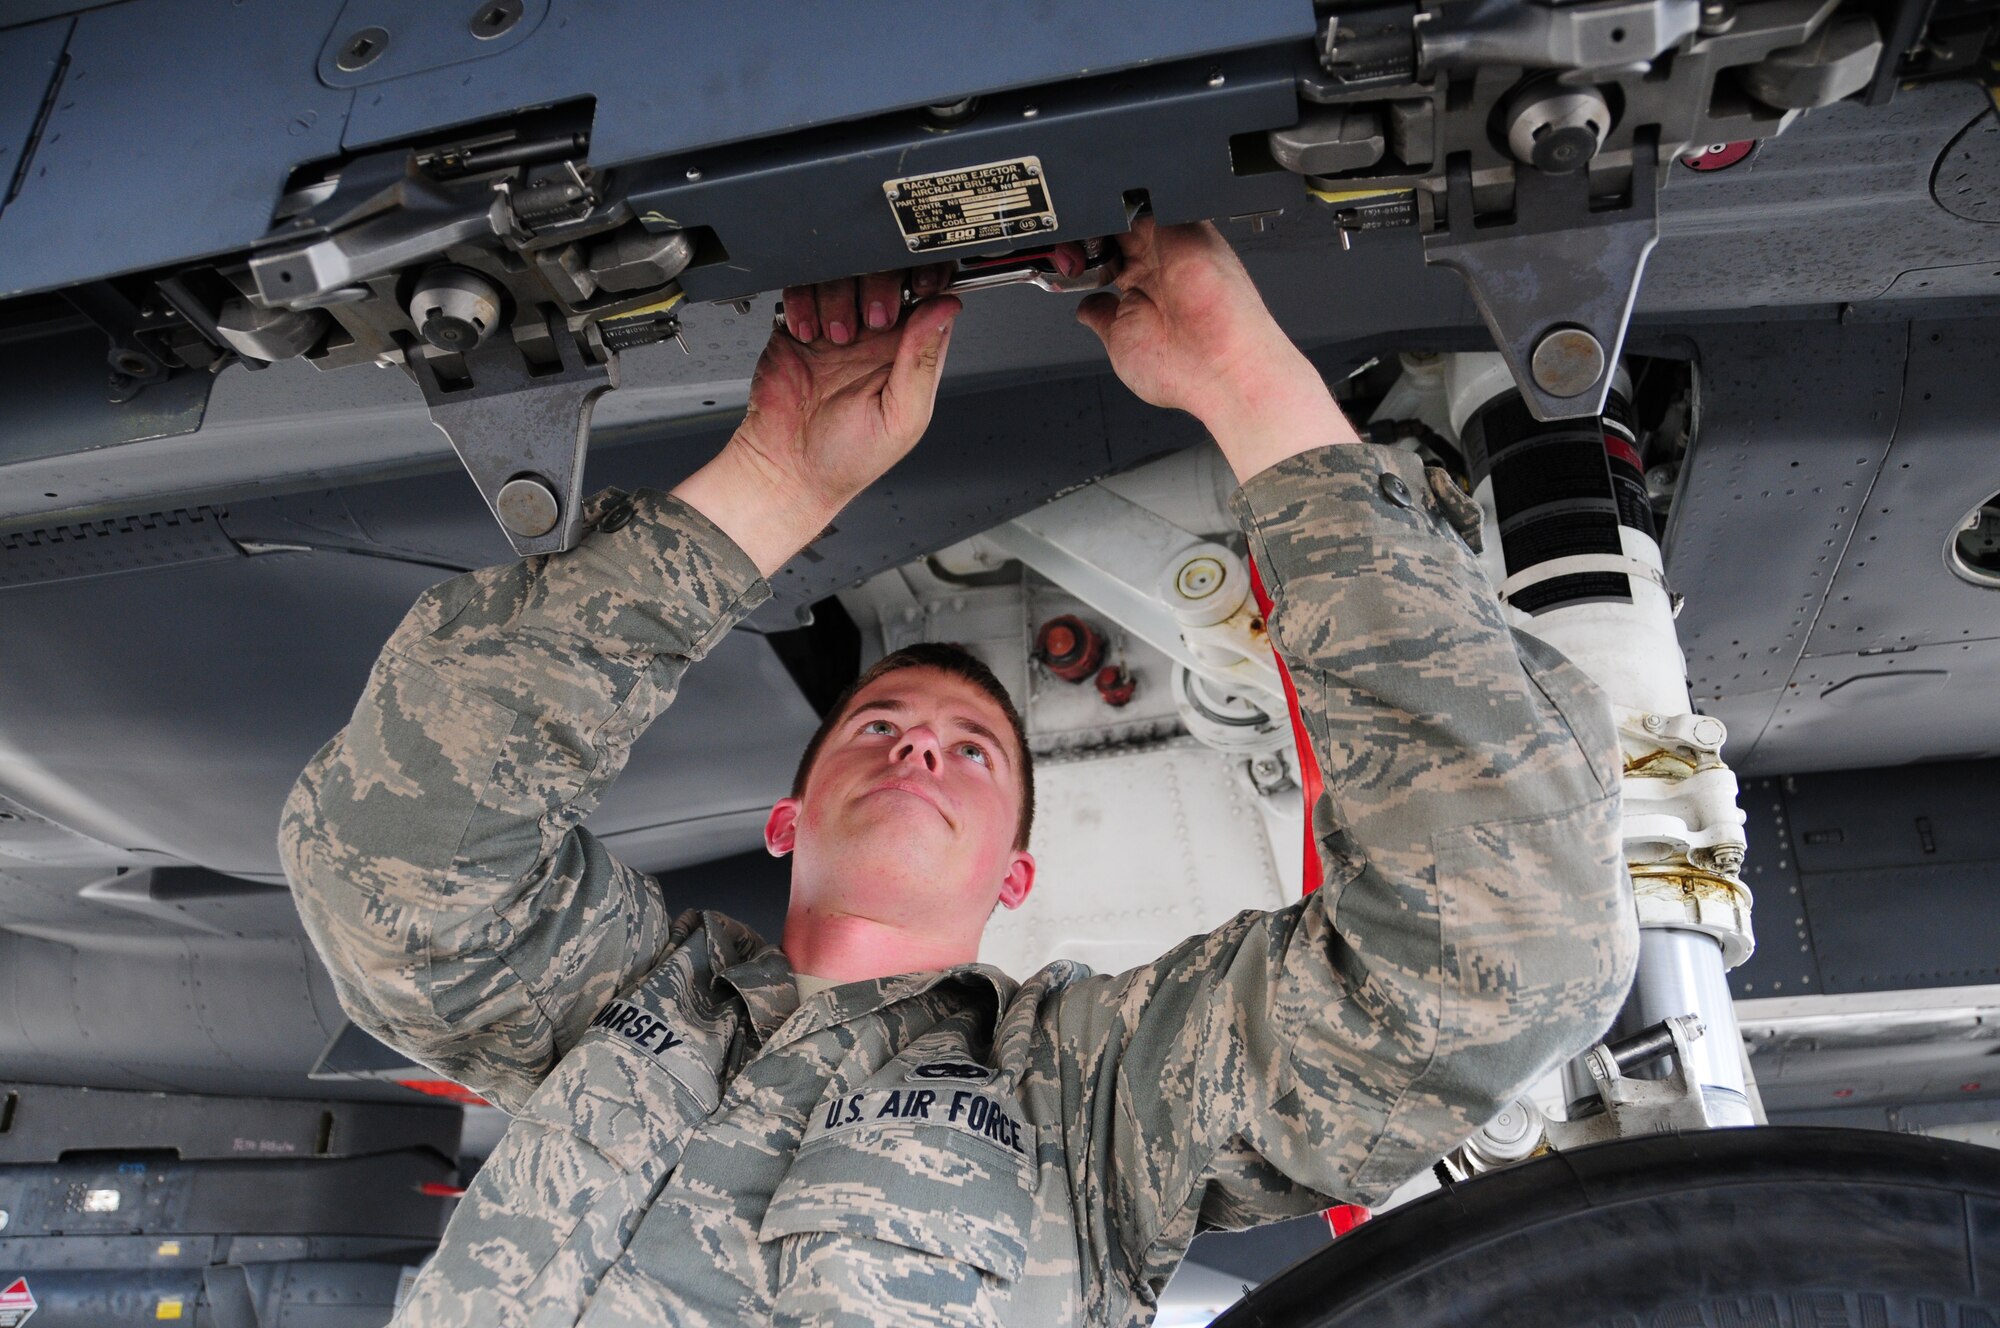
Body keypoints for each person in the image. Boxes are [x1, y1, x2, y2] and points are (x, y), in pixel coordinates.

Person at [280, 218, 1638, 1328]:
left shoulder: (1096, 1110)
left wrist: (1249, 382)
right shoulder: (622, 1013)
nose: (923, 741)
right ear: (784, 814)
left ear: (1020, 873)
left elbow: (1497, 957)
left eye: (975, 751)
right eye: (877, 727)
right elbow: (396, 849)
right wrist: (767, 484)